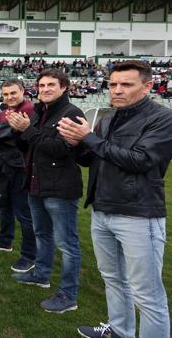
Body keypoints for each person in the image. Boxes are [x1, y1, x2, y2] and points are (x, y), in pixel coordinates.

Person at [57, 61, 172, 338]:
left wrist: (90, 139)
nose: (117, 90)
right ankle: (119, 331)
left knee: (147, 293)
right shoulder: (108, 119)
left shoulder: (162, 118)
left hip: (139, 214)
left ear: (147, 87)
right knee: (113, 280)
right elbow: (94, 158)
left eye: (126, 85)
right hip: (103, 209)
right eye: (113, 84)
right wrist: (76, 145)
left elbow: (142, 160)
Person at [8, 69, 84, 314]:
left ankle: (68, 295)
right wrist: (18, 130)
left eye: (51, 84)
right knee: (42, 234)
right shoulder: (40, 111)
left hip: (60, 188)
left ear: (64, 88)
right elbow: (28, 146)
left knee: (67, 244)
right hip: (36, 184)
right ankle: (41, 275)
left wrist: (27, 131)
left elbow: (61, 149)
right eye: (41, 85)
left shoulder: (71, 113)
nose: (45, 89)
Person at [0, 79, 37, 274]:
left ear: (22, 91)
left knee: (23, 213)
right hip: (2, 167)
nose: (9, 97)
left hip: (19, 168)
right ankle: (5, 240)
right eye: (5, 94)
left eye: (13, 93)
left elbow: (0, 135)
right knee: (4, 205)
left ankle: (30, 255)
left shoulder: (28, 109)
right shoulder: (5, 112)